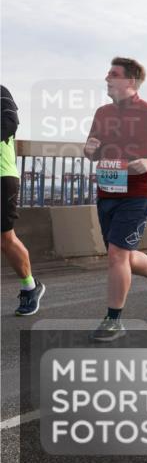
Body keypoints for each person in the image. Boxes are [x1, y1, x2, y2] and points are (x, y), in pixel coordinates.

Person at [83, 58, 147, 341]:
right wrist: (89, 150)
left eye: (112, 74)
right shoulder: (103, 113)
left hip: (138, 194)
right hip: (107, 192)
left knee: (117, 255)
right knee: (121, 256)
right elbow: (93, 150)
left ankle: (113, 320)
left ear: (130, 81)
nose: (106, 77)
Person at [1, 85, 43, 316]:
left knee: (5, 238)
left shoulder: (1, 92)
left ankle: (30, 287)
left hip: (2, 176)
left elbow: (9, 123)